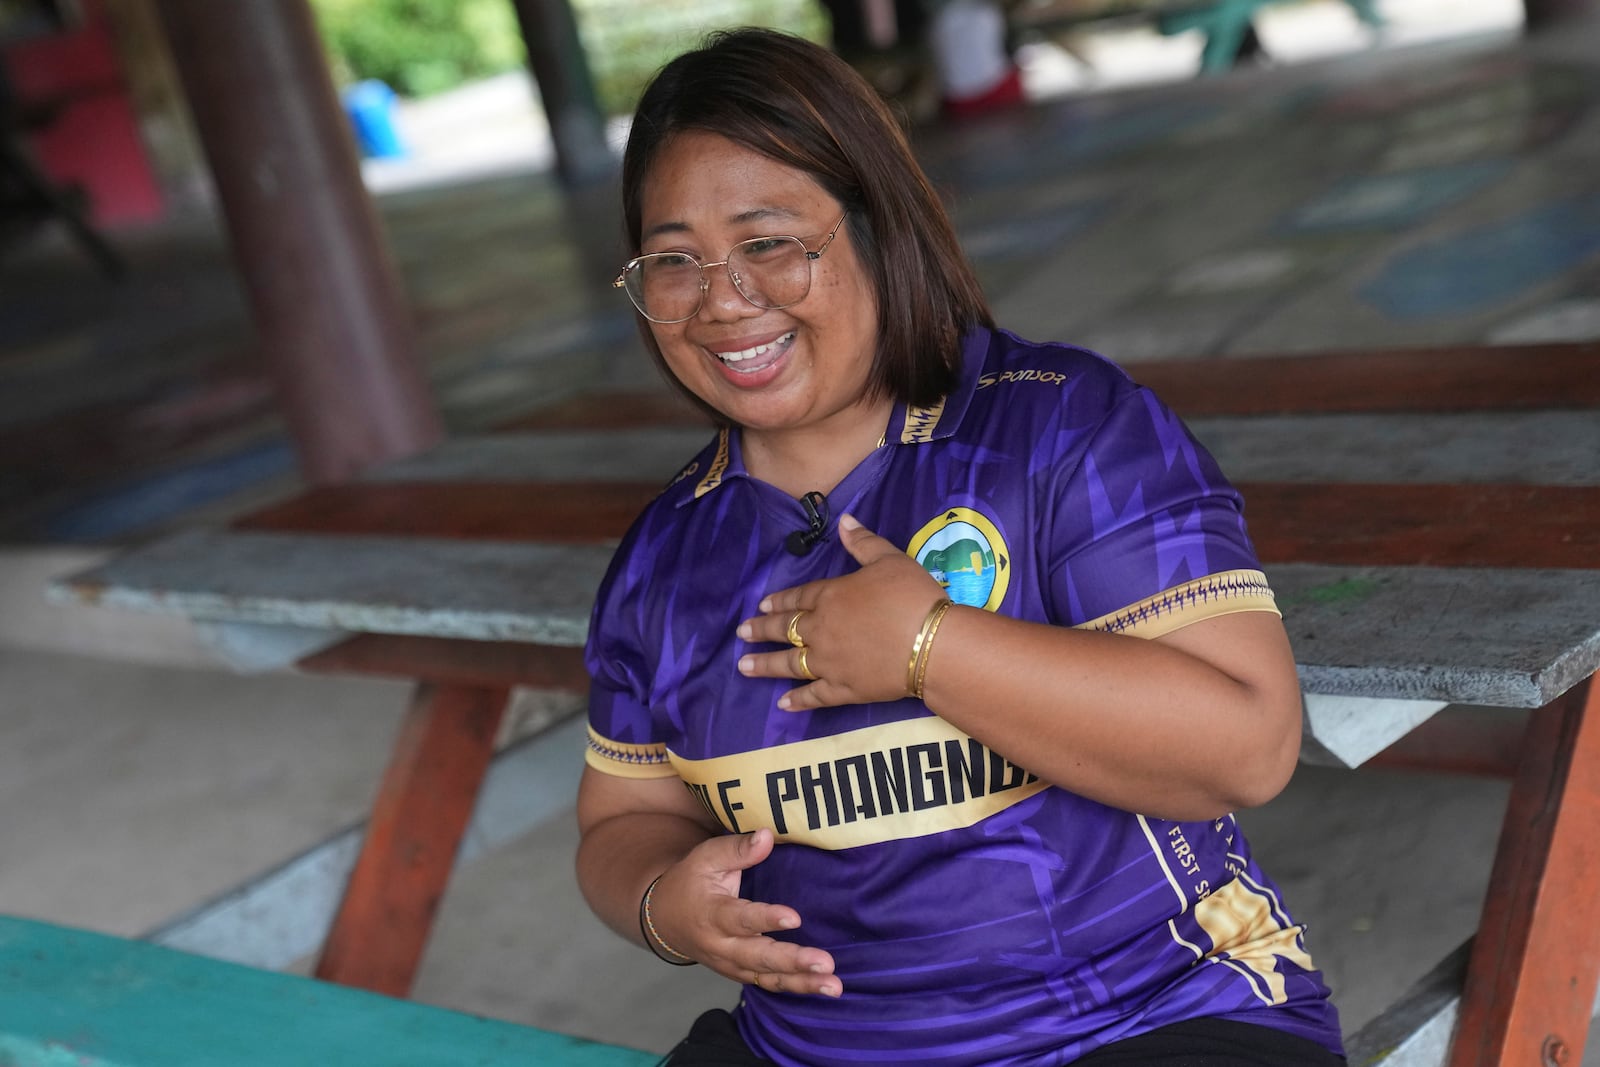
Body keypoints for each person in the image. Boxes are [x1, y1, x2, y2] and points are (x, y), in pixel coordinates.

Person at [576, 27, 1343, 1067]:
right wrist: (665, 903)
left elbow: (1246, 744)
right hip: (819, 1048)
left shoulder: (1061, 428)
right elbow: (621, 818)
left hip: (1144, 1017)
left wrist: (932, 646)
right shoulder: (663, 559)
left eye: (769, 243)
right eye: (674, 261)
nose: (720, 298)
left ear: (878, 227)